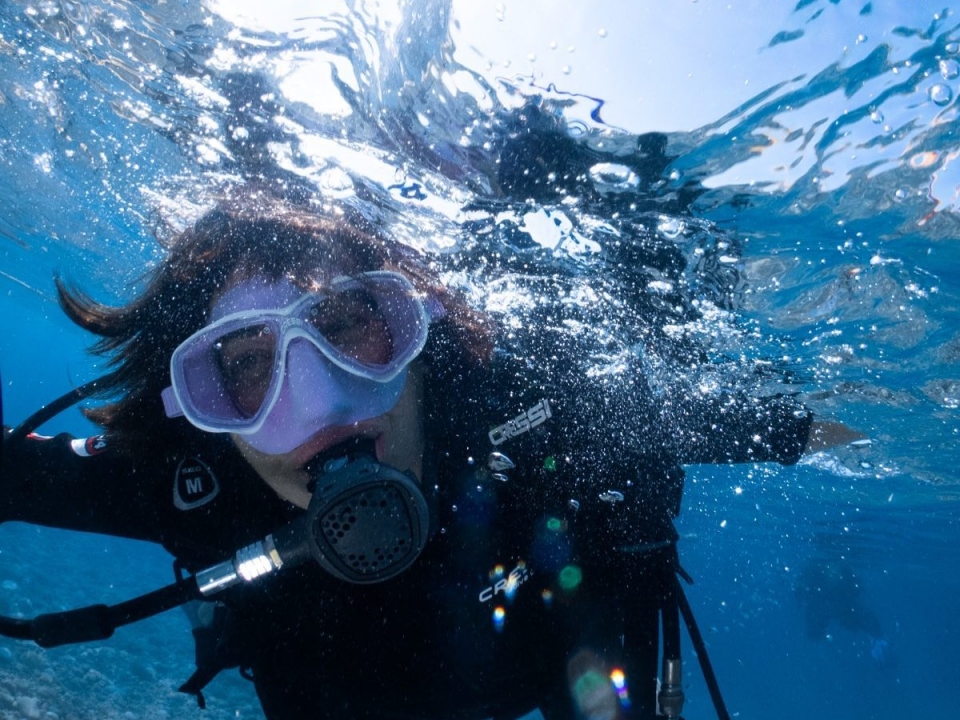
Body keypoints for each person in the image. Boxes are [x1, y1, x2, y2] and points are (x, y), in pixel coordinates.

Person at [1, 192, 856, 720]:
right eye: (248, 367)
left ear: (417, 338)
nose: (324, 403)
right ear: (200, 409)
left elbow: (805, 427)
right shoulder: (190, 484)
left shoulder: (539, 416)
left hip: (566, 672)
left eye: (350, 326)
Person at [795, 557, 893, 670]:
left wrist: (878, 637)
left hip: (840, 600)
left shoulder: (842, 603)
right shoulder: (818, 600)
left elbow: (863, 614)